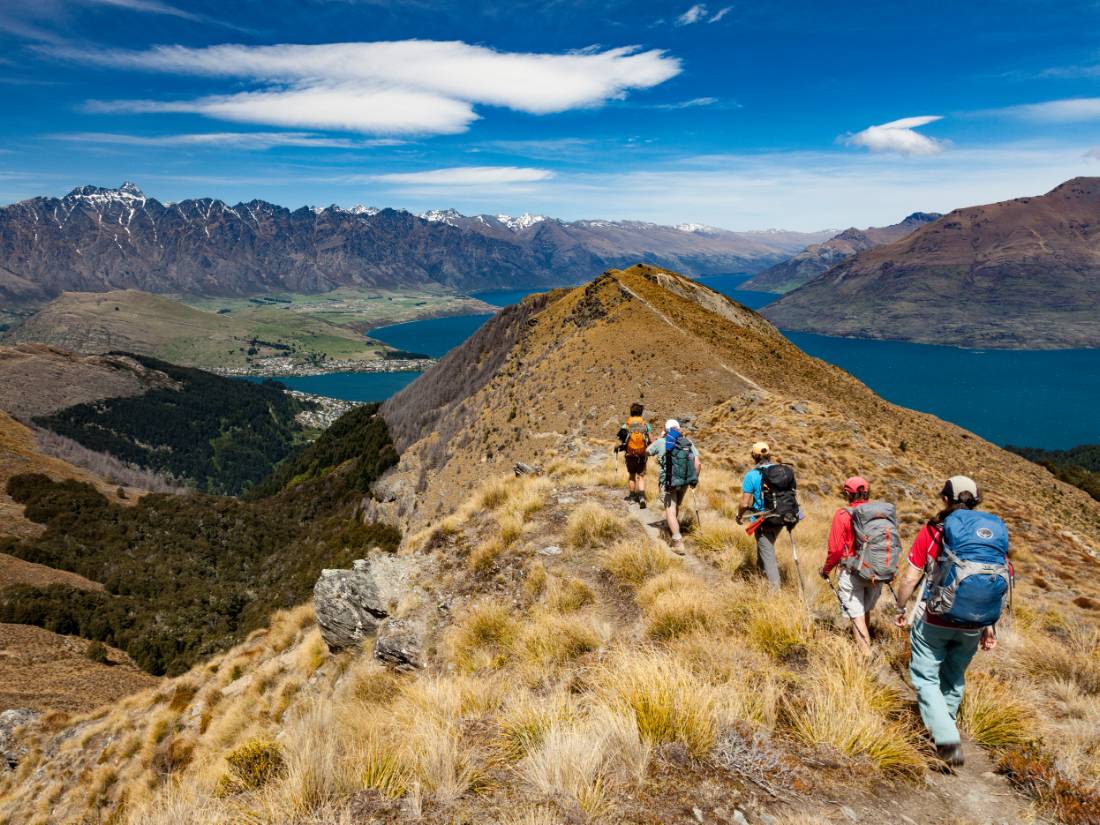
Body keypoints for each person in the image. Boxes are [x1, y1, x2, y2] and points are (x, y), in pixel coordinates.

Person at [893, 476, 1009, 768]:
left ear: (946, 499)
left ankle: (946, 740)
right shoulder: (991, 536)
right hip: (975, 622)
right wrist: (989, 628)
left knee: (925, 676)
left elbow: (910, 577)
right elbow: (993, 583)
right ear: (976, 501)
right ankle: (946, 728)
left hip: (935, 616)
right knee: (954, 675)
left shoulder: (934, 531)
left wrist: (900, 605)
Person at [820, 476, 885, 657]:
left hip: (852, 571)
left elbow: (835, 550)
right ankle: (867, 641)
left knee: (857, 615)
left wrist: (825, 570)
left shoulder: (843, 515)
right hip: (876, 570)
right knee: (865, 610)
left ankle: (865, 657)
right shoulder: (879, 513)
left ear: (848, 493)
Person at [646, 419, 701, 554]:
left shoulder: (661, 442)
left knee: (670, 511)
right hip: (684, 482)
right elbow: (698, 464)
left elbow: (647, 451)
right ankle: (673, 528)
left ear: (666, 430)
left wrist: (659, 438)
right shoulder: (688, 443)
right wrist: (693, 480)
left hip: (669, 482)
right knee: (676, 507)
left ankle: (677, 542)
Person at [735, 442, 782, 588]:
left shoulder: (752, 475)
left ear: (754, 457)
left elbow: (744, 504)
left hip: (764, 520)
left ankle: (775, 595)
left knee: (767, 554)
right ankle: (761, 580)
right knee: (765, 548)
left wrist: (739, 515)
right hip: (781, 517)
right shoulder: (780, 471)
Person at [614, 402, 652, 509]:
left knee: (632, 475)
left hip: (630, 455)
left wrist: (618, 448)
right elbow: (651, 440)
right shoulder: (645, 425)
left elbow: (620, 441)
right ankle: (642, 497)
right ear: (641, 413)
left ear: (631, 412)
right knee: (641, 476)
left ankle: (631, 497)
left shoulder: (626, 425)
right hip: (641, 455)